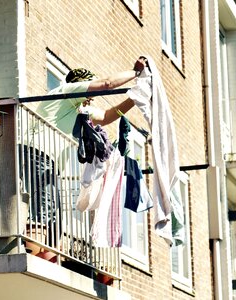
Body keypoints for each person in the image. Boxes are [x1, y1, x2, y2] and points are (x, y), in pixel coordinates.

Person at [22, 57, 148, 255]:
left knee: (55, 213)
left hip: (48, 161)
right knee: (44, 207)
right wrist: (136, 72)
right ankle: (34, 253)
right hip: (38, 152)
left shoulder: (79, 109)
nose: (92, 99)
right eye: (90, 93)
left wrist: (135, 97)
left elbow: (107, 116)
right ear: (80, 85)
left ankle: (50, 254)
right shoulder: (67, 92)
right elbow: (106, 84)